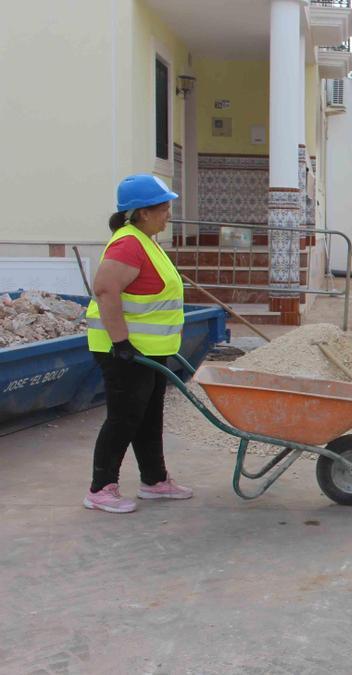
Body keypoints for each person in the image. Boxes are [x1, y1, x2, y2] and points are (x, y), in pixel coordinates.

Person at [83, 174, 194, 513]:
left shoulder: (146, 240)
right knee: (124, 418)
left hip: (150, 350)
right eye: (163, 208)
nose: (168, 214)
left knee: (148, 417)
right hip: (123, 350)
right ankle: (100, 489)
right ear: (142, 212)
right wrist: (121, 342)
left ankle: (154, 481)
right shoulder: (129, 243)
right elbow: (105, 289)